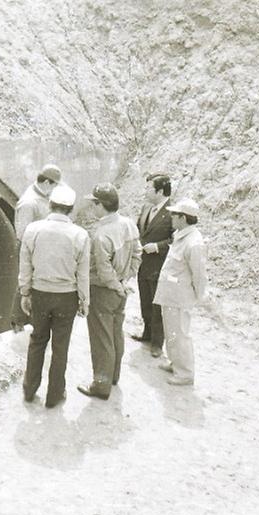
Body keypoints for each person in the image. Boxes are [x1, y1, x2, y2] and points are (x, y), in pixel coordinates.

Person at [19, 184, 90, 408]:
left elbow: (25, 264)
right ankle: (54, 394)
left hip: (40, 294)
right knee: (61, 346)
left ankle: (29, 389)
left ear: (50, 204)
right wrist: (84, 300)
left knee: (37, 340)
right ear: (71, 209)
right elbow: (83, 272)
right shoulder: (80, 234)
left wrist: (25, 292)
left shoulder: (33, 229)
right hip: (67, 296)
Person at [77, 184, 142, 400]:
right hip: (120, 289)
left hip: (104, 291)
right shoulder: (129, 224)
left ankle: (101, 385)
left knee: (101, 338)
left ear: (101, 205)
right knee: (115, 333)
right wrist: (125, 280)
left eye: (94, 203)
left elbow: (104, 271)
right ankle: (113, 376)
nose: (92, 208)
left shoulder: (101, 234)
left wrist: (116, 284)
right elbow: (138, 254)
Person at [153, 198, 208, 386]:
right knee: (172, 333)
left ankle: (185, 373)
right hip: (171, 294)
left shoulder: (194, 243)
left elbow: (199, 275)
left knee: (181, 334)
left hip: (180, 297)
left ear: (183, 218)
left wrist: (197, 297)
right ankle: (175, 362)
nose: (171, 218)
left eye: (174, 215)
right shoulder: (182, 235)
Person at [11, 164, 62, 332]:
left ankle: (32, 321)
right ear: (47, 182)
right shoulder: (29, 202)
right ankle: (18, 322)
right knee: (26, 282)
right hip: (30, 248)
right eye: (54, 185)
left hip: (42, 247)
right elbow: (23, 233)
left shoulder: (42, 196)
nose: (55, 189)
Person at [132, 173, 173, 358]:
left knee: (158, 305)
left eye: (149, 188)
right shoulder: (147, 207)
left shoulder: (173, 211)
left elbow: (176, 239)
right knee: (145, 300)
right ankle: (147, 334)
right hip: (143, 264)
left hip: (160, 265)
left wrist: (157, 247)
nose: (145, 191)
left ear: (160, 191)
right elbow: (139, 229)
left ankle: (157, 343)